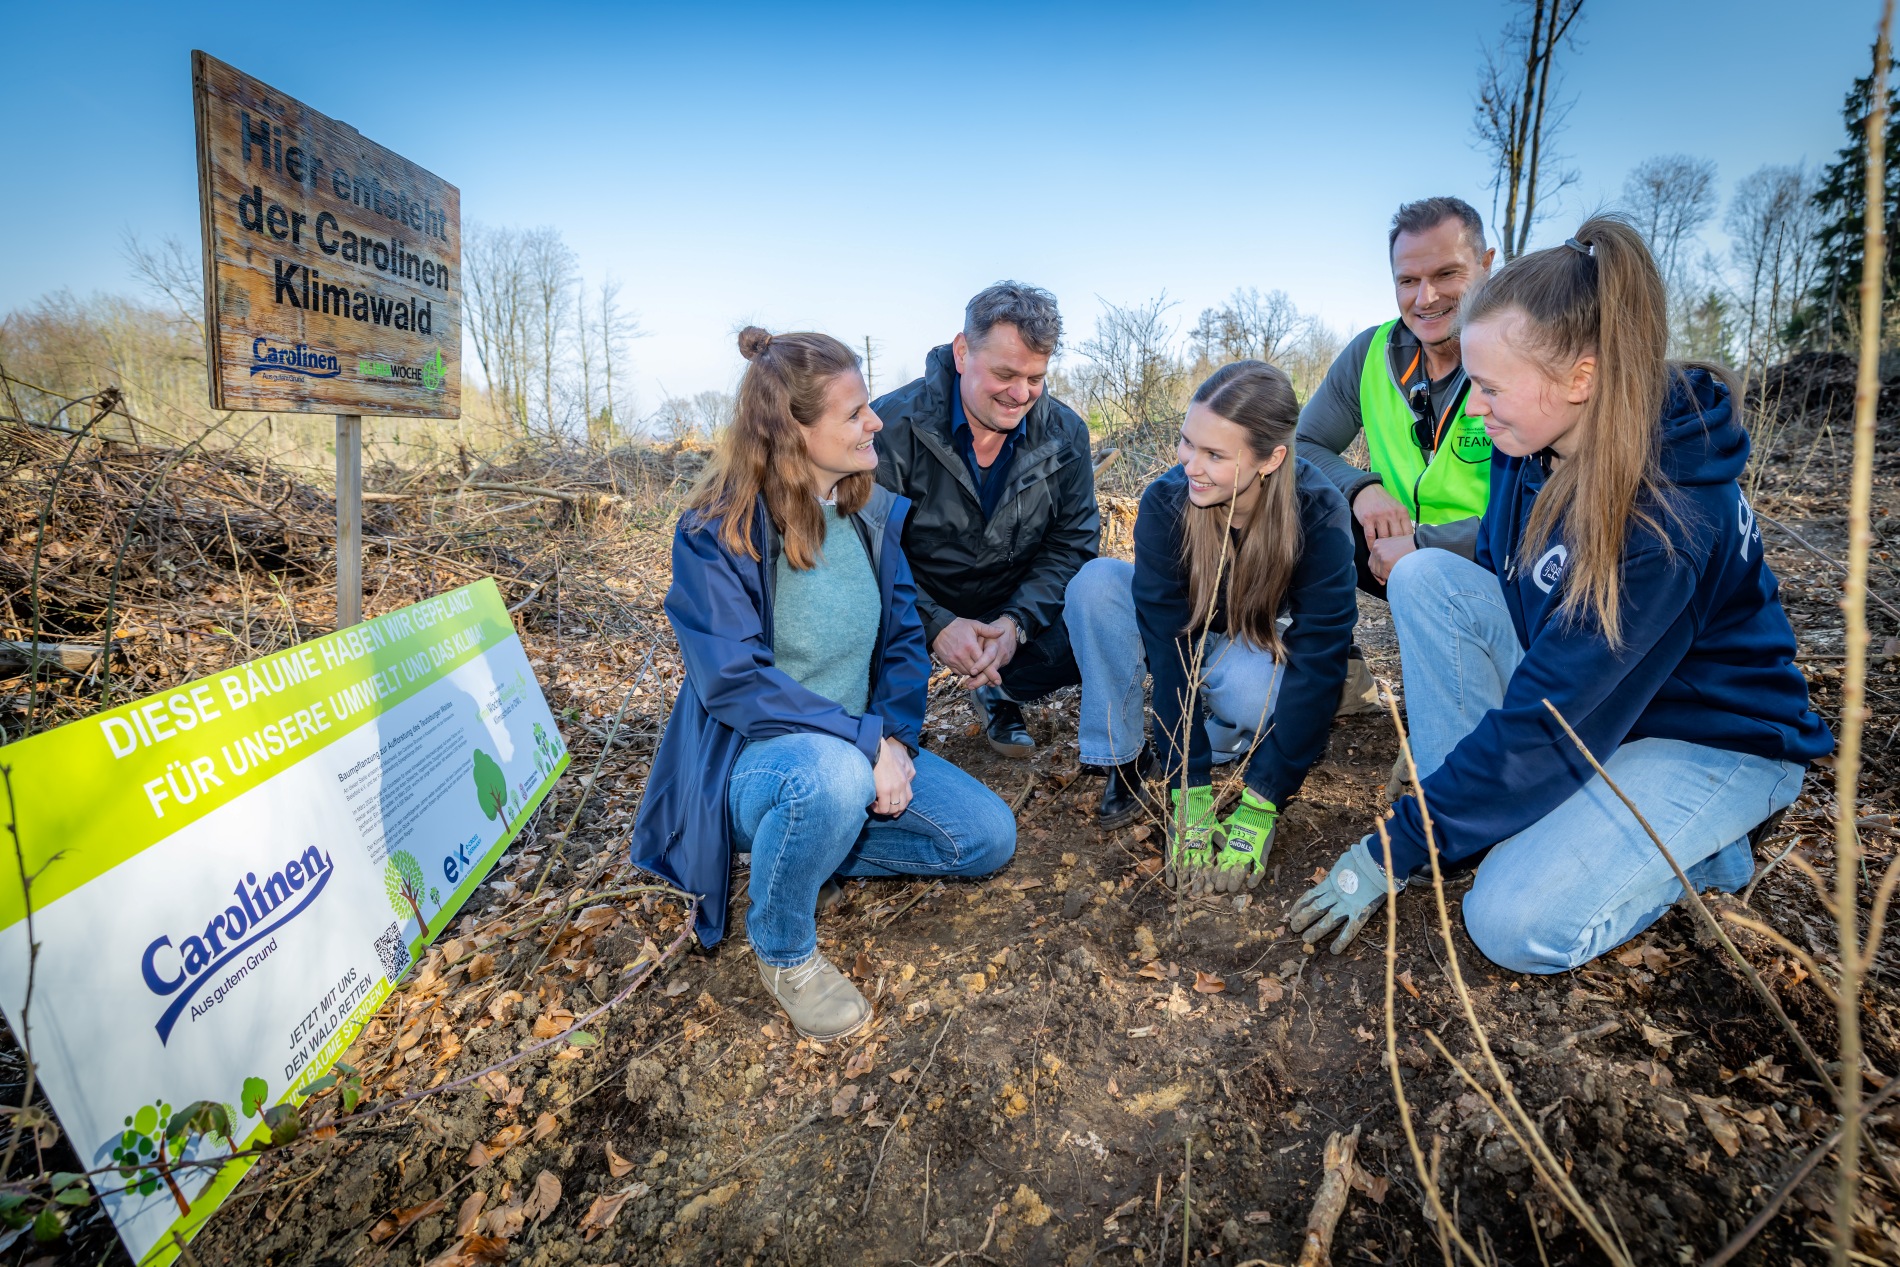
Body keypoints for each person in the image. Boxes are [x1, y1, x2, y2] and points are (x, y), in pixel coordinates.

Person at [1288, 218, 1833, 972]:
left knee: (1509, 923)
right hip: (1602, 693)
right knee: (1424, 576)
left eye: (1489, 388)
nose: (1472, 409)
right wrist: (1454, 804)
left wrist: (1392, 848)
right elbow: (1507, 580)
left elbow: (1545, 724)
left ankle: (1713, 851)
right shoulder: (1530, 441)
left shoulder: (1667, 521)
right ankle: (1472, 820)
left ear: (1581, 377)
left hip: (1709, 735)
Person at [630, 327, 1016, 1040]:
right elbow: (735, 683)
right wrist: (864, 744)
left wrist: (893, 741)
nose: (876, 423)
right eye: (855, 413)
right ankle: (784, 951)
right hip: (755, 766)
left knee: (986, 837)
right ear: (793, 432)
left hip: (856, 748)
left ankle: (814, 843)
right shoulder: (717, 532)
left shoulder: (870, 516)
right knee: (830, 779)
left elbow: (903, 642)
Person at [1065, 361, 1356, 891]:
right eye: (1187, 443)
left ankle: (1238, 741)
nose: (1191, 466)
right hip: (1181, 638)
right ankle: (1125, 759)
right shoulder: (1166, 502)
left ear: (1271, 459)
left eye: (1215, 455)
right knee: (1097, 583)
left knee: (1264, 699)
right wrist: (1189, 785)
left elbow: (1320, 657)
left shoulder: (1318, 511)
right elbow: (1169, 647)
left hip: (1247, 640)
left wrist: (1265, 797)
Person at [873, 282, 1099, 757]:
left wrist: (1015, 624)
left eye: (1035, 378)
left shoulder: (1066, 433)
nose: (1021, 394)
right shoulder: (887, 428)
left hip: (1011, 605)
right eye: (1004, 374)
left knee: (1105, 611)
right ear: (962, 352)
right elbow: (866, 551)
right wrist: (935, 623)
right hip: (911, 605)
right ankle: (880, 736)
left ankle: (1000, 687)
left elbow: (1071, 545)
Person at [1297, 197, 1497, 712]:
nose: (1425, 298)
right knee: (1292, 498)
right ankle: (1339, 676)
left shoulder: (1525, 353)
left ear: (1486, 265)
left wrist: (1426, 546)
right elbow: (1300, 445)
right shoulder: (1371, 352)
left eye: (1446, 274)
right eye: (1408, 280)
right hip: (1393, 551)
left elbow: (1550, 515)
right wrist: (1360, 489)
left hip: (1497, 562)